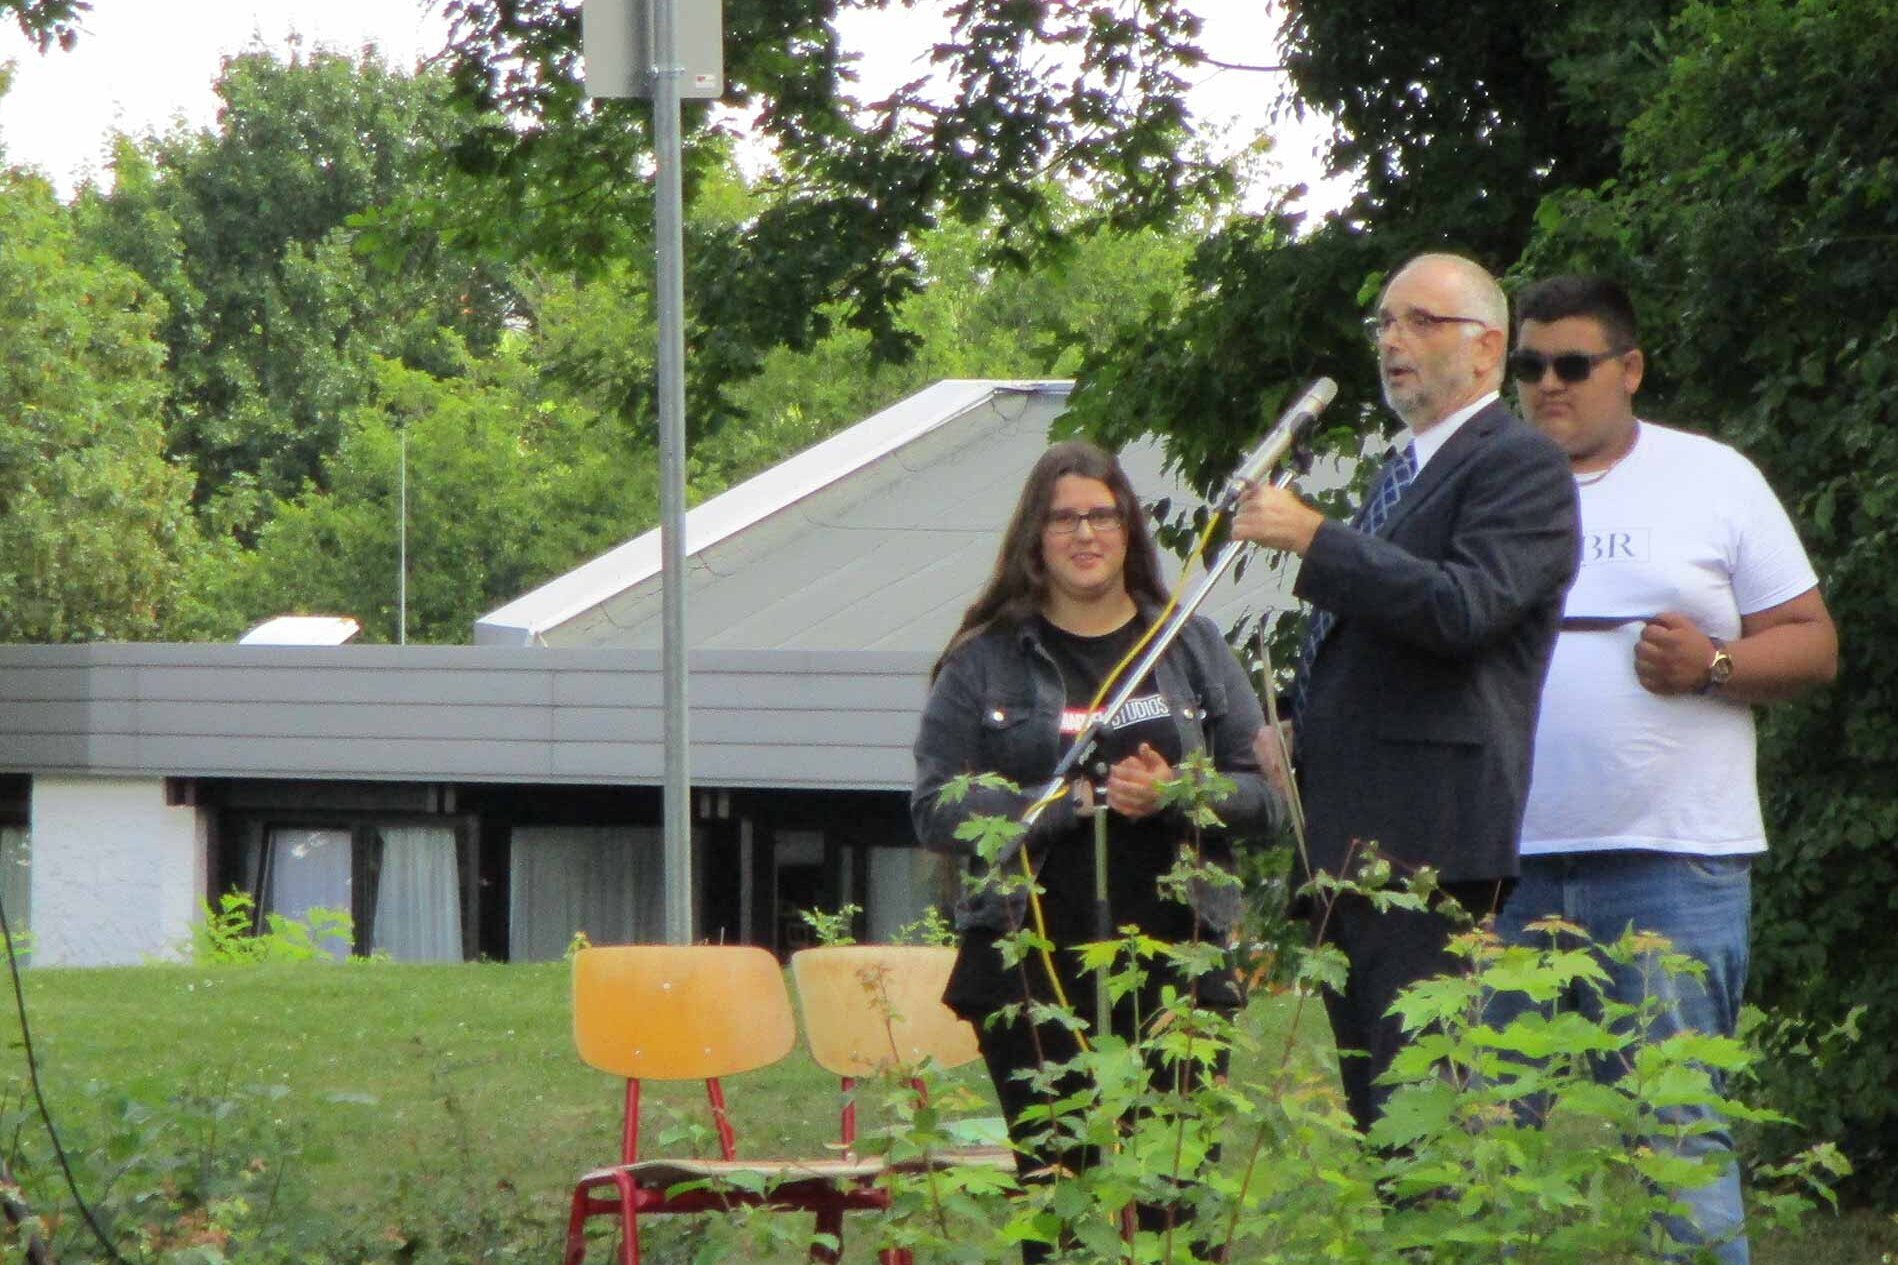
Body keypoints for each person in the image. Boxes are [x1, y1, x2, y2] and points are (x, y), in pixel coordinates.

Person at [1493, 275, 1838, 1264]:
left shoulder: (1711, 477)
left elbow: (1811, 644)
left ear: (1629, 368)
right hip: (1498, 863)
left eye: (1571, 364)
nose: (1546, 385)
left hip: (1668, 862)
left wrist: (1714, 666)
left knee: (1675, 1141)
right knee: (1474, 1137)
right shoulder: (1485, 481)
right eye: (1527, 366)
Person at [1231, 252, 1580, 1133]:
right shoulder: (1403, 470)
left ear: (1487, 345)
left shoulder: (1521, 464)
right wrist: (1300, 729)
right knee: (1385, 1129)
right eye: (1384, 323)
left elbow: (1463, 608)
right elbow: (1382, 646)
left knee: (1431, 1131)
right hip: (1353, 843)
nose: (1393, 341)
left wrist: (1316, 537)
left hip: (1431, 846)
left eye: (1421, 321)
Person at [911, 439, 1278, 1261]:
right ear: (1035, 538)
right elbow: (934, 807)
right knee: (1060, 1203)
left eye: (1103, 516)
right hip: (1029, 957)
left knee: (1174, 1205)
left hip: (1175, 955)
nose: (1086, 533)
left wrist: (1180, 790)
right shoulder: (984, 659)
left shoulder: (1190, 644)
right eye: (1065, 517)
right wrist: (1064, 802)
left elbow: (1270, 799)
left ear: (1130, 532)